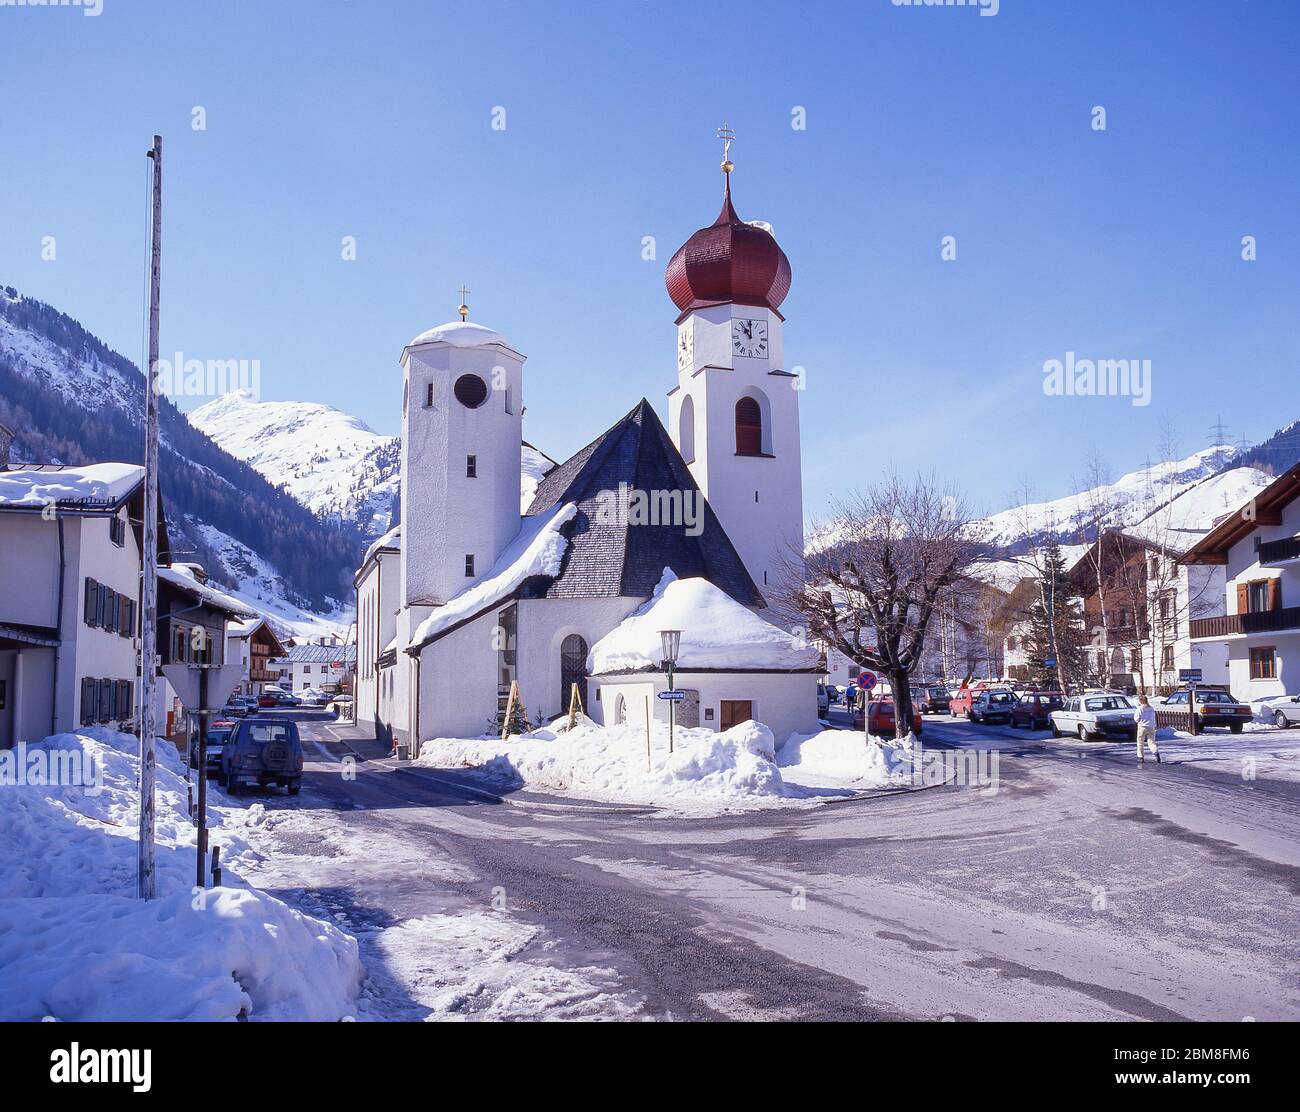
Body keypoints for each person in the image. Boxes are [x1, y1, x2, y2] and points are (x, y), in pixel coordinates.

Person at [1134, 695, 1160, 763]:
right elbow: (1154, 717)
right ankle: (1156, 752)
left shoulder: (1140, 708)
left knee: (1140, 742)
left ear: (1140, 701)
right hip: (1151, 726)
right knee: (1151, 742)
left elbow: (1136, 719)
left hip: (1142, 727)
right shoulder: (1151, 708)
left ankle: (1141, 757)